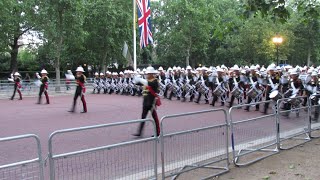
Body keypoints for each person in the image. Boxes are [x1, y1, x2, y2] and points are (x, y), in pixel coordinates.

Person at [133, 66, 161, 137]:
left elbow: (149, 84)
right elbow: (137, 83)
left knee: (155, 119)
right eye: (147, 74)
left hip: (151, 102)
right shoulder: (146, 80)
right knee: (143, 118)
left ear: (152, 74)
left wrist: (140, 79)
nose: (147, 75)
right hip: (145, 102)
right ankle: (139, 132)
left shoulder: (155, 81)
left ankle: (158, 133)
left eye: (148, 74)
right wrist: (136, 79)